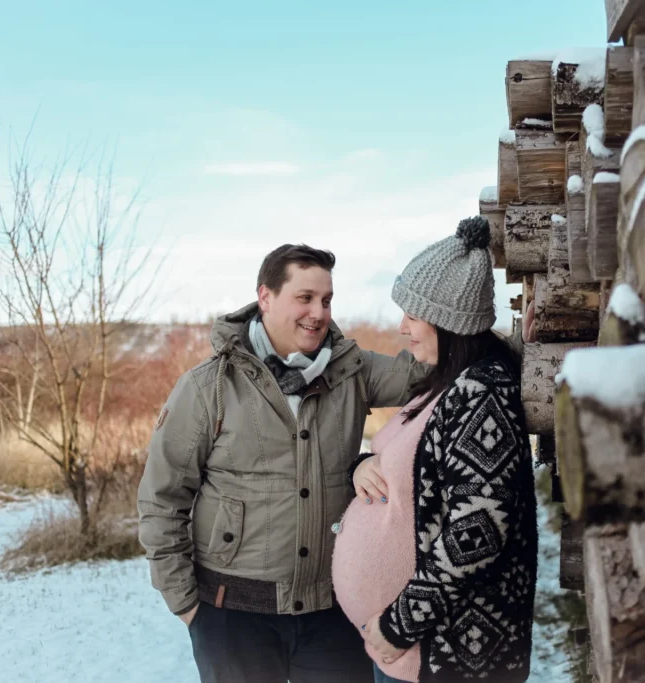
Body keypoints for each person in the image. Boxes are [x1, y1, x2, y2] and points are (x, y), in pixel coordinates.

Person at [138, 244, 428, 683]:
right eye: (305, 298)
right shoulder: (208, 387)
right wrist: (187, 605)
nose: (319, 313)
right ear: (266, 297)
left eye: (326, 300)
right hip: (233, 616)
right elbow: (162, 499)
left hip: (331, 613)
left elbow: (430, 372)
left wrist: (517, 343)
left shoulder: (352, 371)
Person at [331, 217, 538, 683]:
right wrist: (364, 466)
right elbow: (417, 463)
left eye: (413, 315)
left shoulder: (482, 394)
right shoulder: (447, 384)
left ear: (448, 321)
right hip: (417, 655)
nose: (402, 327)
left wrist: (398, 625)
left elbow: (479, 530)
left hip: (451, 656)